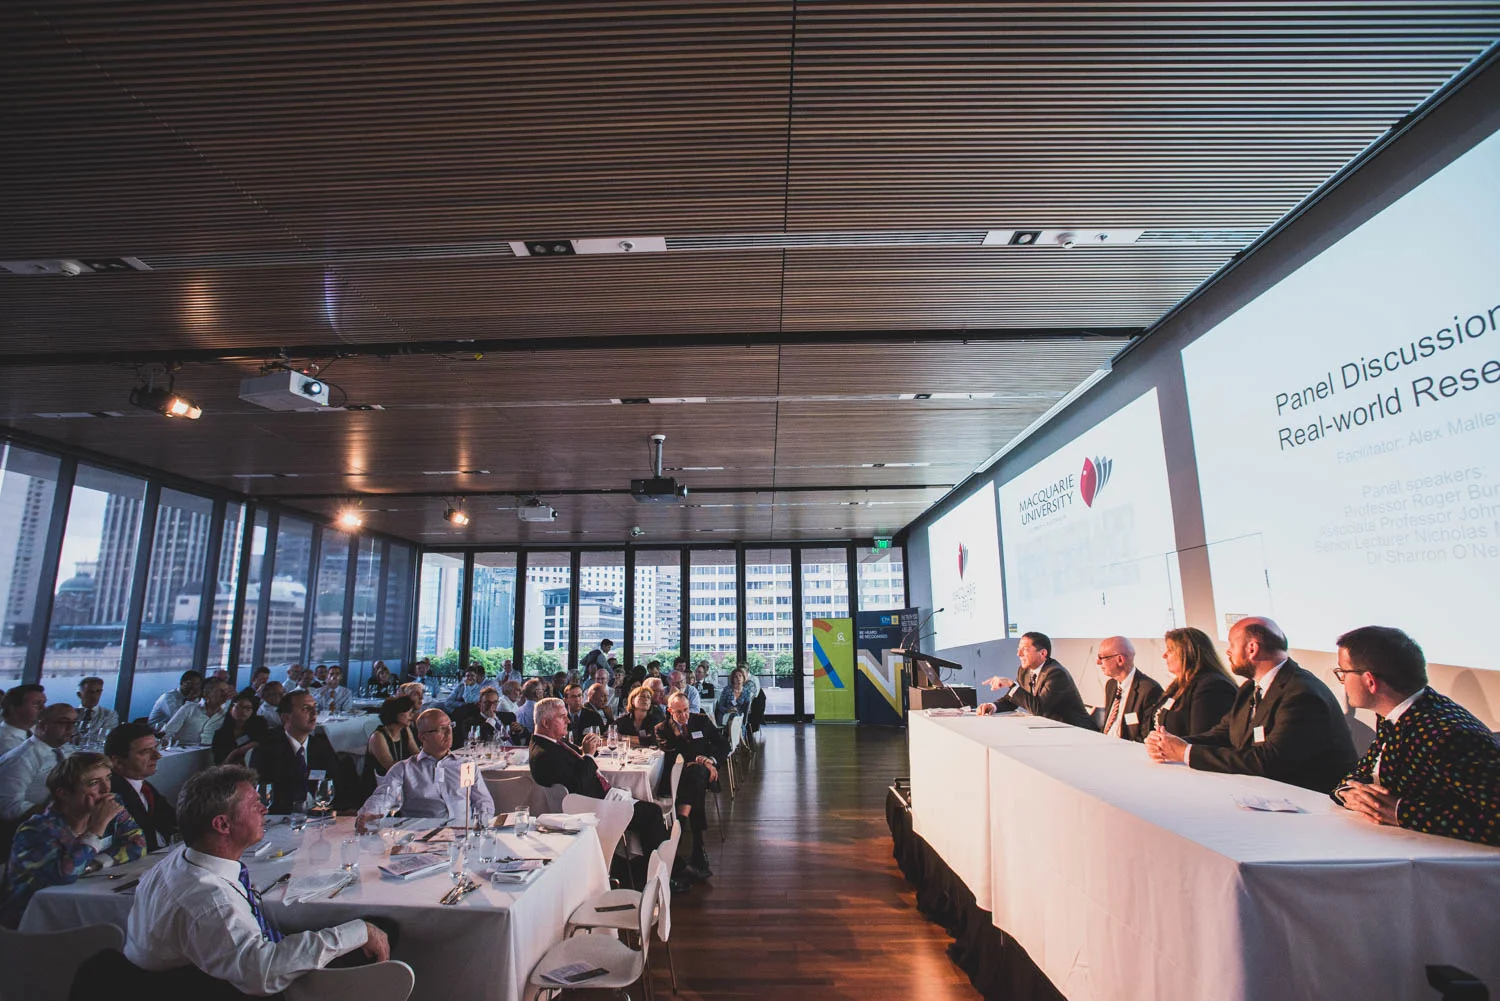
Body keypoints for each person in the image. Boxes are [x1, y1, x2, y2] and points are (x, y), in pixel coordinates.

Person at [125, 765, 389, 995]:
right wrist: (359, 932)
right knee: (377, 930)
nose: (264, 809)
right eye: (254, 806)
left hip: (204, 972)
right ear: (222, 825)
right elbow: (262, 971)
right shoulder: (210, 900)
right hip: (218, 988)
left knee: (362, 925)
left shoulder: (178, 859)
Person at [1145, 616, 1357, 793]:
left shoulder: (1302, 693)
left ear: (1252, 648)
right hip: (1265, 793)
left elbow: (1270, 760)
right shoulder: (1250, 688)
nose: (1227, 652)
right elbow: (1223, 733)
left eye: (1231, 644)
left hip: (1307, 803)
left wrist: (1186, 752)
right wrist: (1171, 743)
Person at [1331, 625, 1500, 844]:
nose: (1342, 682)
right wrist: (1348, 793)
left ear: (1370, 681)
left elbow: (1494, 818)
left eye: (1343, 673)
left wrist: (1401, 812)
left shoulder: (1448, 735)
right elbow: (1359, 775)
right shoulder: (1397, 713)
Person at [1, 752, 145, 928]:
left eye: (108, 778)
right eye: (94, 783)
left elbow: (138, 843)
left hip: (81, 906)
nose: (106, 789)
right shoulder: (36, 830)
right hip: (32, 922)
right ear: (63, 793)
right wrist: (97, 827)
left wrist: (95, 863)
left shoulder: (109, 808)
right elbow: (65, 874)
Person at [528, 697, 670, 868]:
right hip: (592, 808)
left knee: (645, 805)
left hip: (597, 798)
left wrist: (587, 751)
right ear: (545, 722)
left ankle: (651, 865)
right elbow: (578, 786)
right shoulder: (544, 755)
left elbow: (573, 768)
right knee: (652, 813)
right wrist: (588, 755)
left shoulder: (550, 743)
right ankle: (657, 870)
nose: (568, 721)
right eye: (562, 717)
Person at [357, 708, 494, 825]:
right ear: (423, 737)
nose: (449, 732)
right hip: (421, 838)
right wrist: (369, 814)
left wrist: (480, 825)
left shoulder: (466, 766)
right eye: (441, 729)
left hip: (463, 836)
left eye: (450, 726)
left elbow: (483, 802)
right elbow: (383, 797)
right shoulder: (404, 769)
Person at [655, 692, 729, 885]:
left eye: (686, 710)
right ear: (670, 711)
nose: (684, 715)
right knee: (695, 776)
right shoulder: (662, 729)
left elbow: (723, 744)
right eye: (679, 712)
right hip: (678, 777)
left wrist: (711, 761)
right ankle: (697, 843)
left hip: (704, 774)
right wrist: (700, 759)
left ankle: (681, 824)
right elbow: (673, 755)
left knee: (697, 774)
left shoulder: (701, 721)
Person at [248, 691, 341, 814]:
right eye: (305, 709)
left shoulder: (322, 746)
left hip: (319, 816)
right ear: (286, 717)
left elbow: (335, 783)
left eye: (315, 707)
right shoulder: (266, 750)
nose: (314, 713)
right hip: (280, 817)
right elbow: (261, 794)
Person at [977, 632, 1095, 729]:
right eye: (1018, 649)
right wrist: (993, 706)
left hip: (1076, 731)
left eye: (1025, 649)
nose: (1018, 654)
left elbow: (1038, 708)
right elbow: (1013, 700)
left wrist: (1010, 684)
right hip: (1051, 729)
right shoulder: (1024, 671)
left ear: (1043, 653)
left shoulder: (1056, 673)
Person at [1148, 627, 1239, 738]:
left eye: (1170, 650)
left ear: (1188, 653)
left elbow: (1203, 738)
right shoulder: (1178, 685)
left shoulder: (1213, 686)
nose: (1164, 655)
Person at [0, 703, 79, 821]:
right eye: (63, 722)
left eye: (74, 723)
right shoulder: (21, 759)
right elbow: (8, 806)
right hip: (31, 824)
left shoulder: (65, 749)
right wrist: (59, 813)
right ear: (43, 726)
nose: (71, 729)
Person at [106, 722, 176, 850]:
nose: (157, 756)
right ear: (118, 762)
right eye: (145, 752)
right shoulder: (111, 794)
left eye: (156, 748)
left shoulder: (145, 787)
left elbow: (172, 820)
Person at [1094, 637, 1164, 742]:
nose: (1098, 662)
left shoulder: (1149, 690)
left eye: (1101, 657)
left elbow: (1147, 737)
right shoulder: (1111, 685)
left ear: (1120, 660)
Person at [162, 676, 231, 747]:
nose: (225, 694)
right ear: (206, 693)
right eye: (221, 691)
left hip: (212, 751)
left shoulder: (227, 713)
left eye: (227, 691)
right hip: (184, 750)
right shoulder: (189, 708)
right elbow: (167, 733)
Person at [213, 692, 270, 766]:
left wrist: (238, 751)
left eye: (248, 708)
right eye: (239, 706)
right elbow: (219, 762)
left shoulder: (260, 725)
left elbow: (262, 742)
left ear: (252, 711)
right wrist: (231, 757)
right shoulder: (220, 732)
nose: (243, 711)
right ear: (231, 709)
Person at [0, 684, 47, 755]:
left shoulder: (38, 729)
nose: (44, 709)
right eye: (36, 704)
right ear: (12, 708)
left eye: (44, 703)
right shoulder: (7, 744)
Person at [76, 676, 119, 741]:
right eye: (90, 692)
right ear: (79, 694)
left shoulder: (110, 715)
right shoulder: (70, 714)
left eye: (98, 691)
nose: (94, 696)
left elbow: (107, 737)